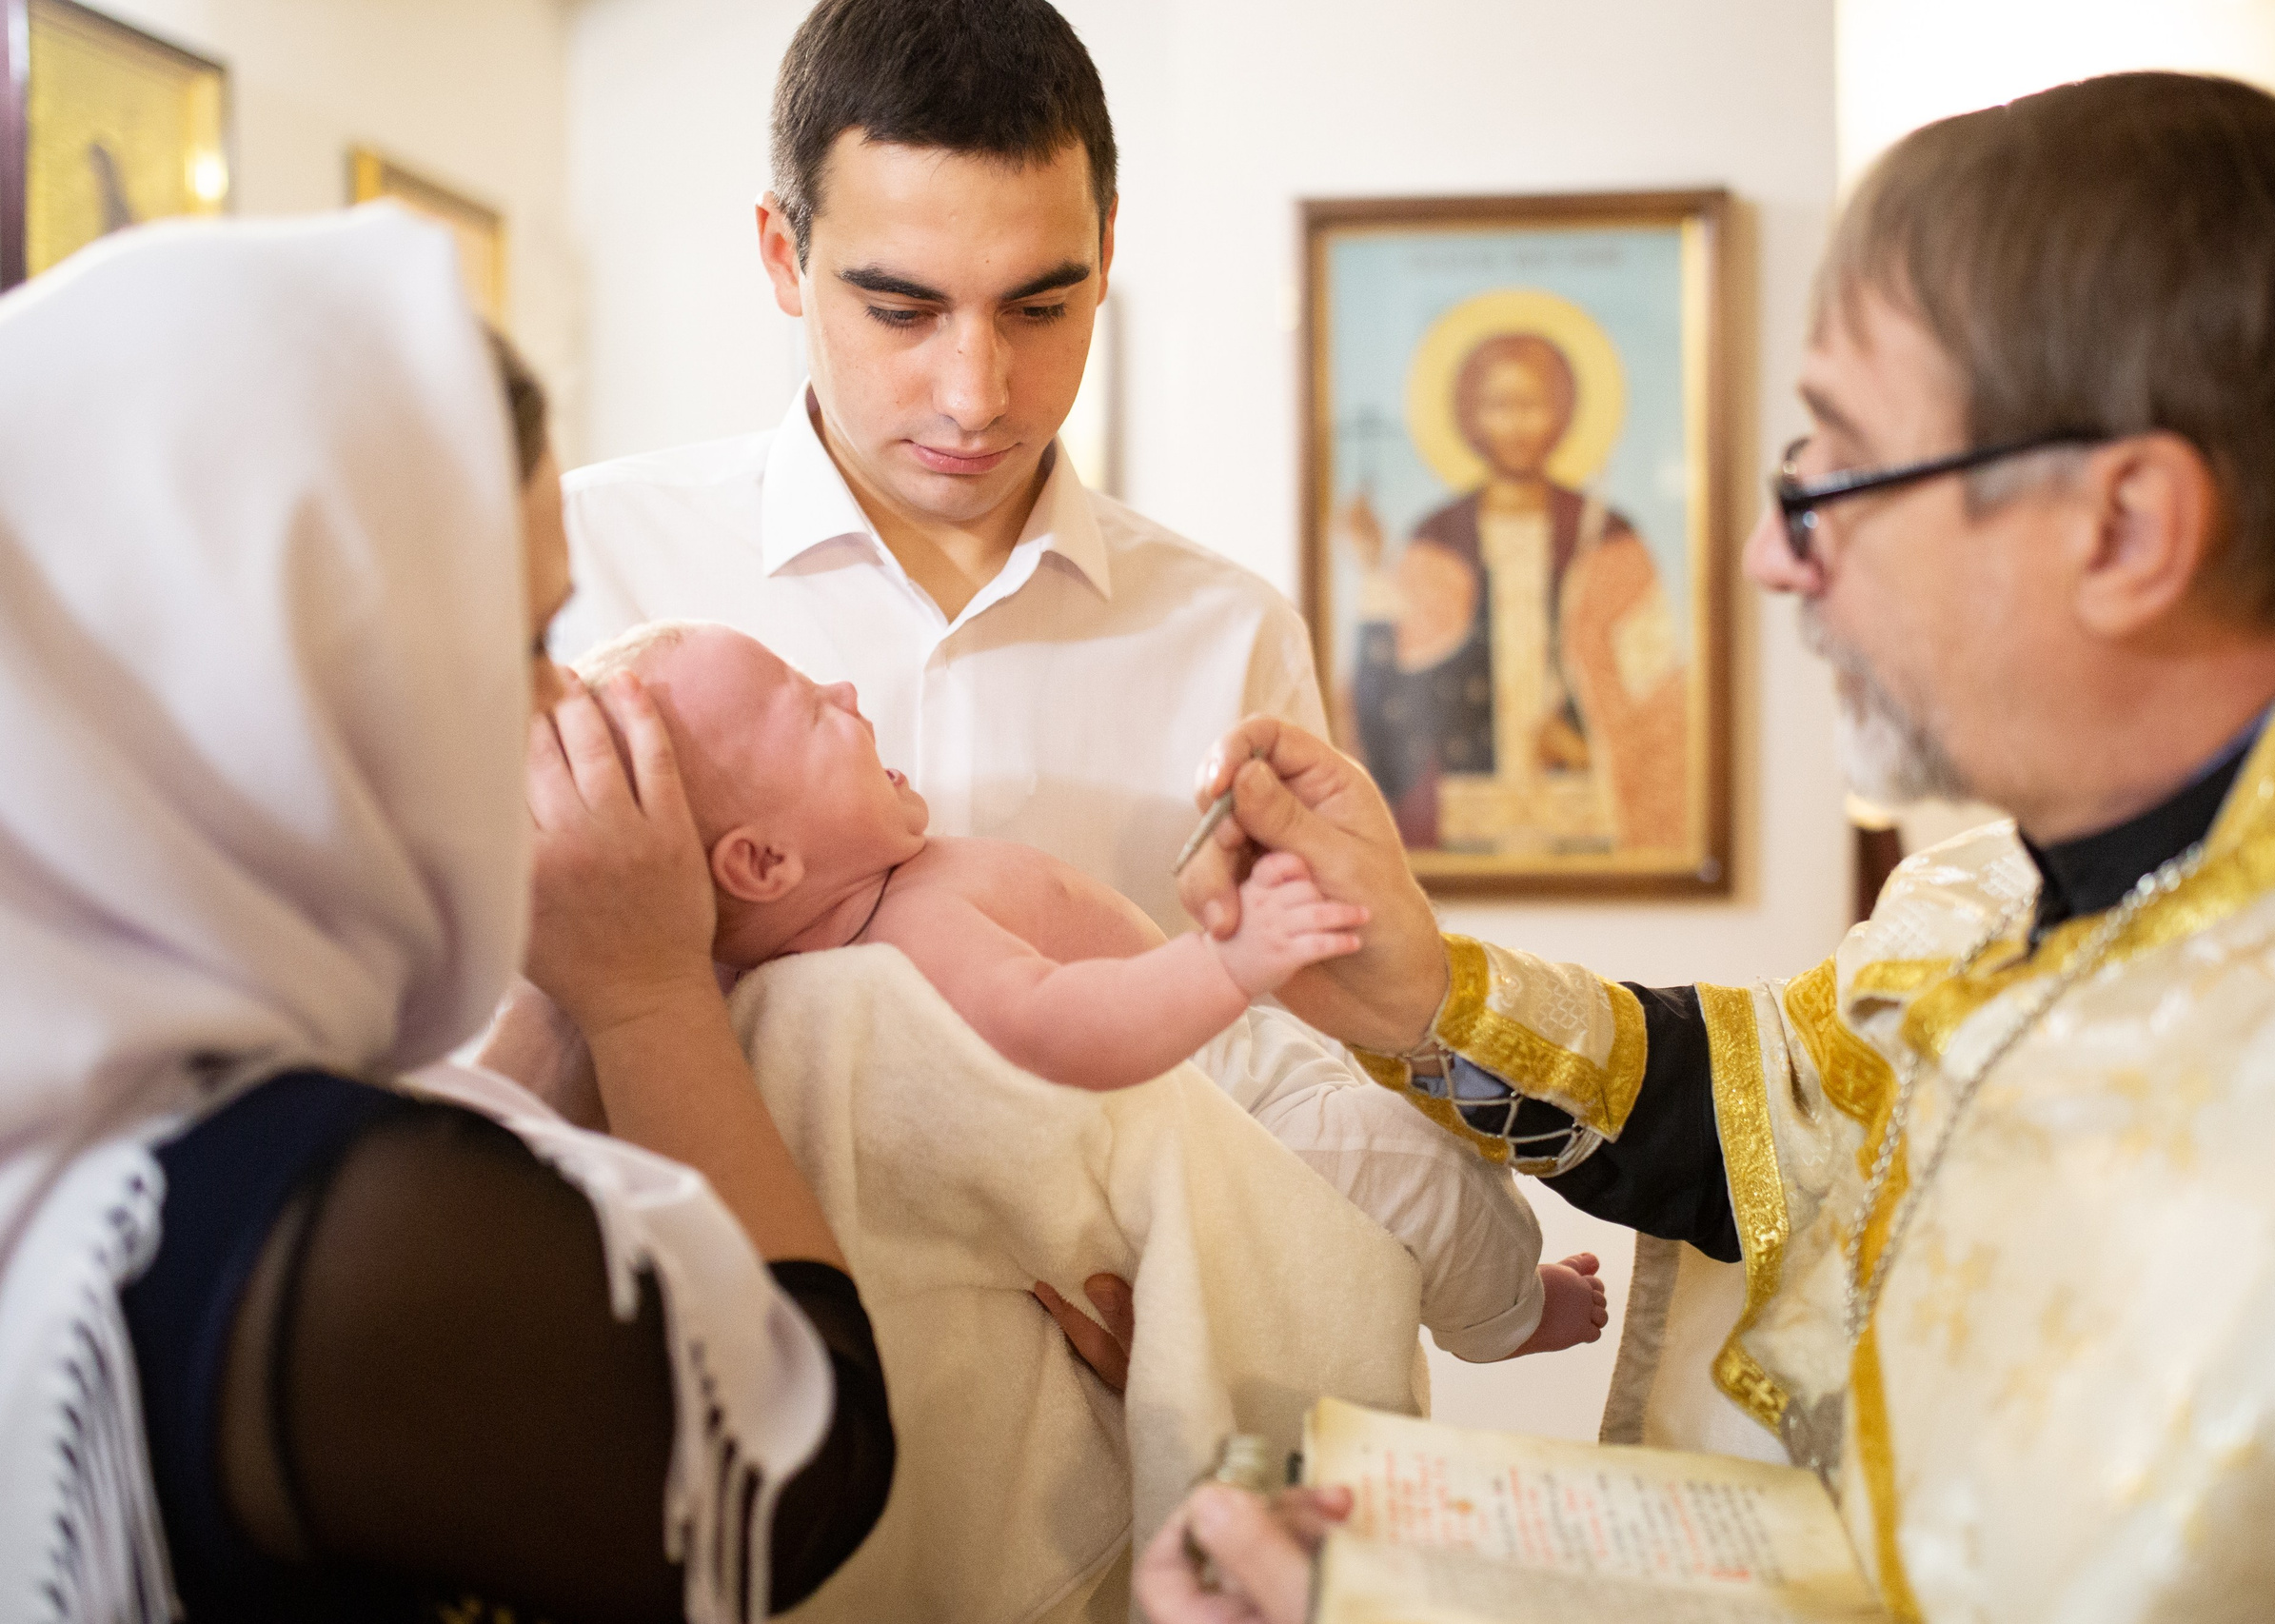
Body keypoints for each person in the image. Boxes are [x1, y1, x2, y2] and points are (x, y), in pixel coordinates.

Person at [1154, 71, 2275, 1623]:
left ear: (2123, 529)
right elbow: (1784, 1130)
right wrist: (1423, 996)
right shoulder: (2006, 884)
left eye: (1833, 472)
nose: (1769, 556)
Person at [542, 0, 1559, 1372]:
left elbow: (1304, 1086)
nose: (975, 391)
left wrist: (1233, 1300)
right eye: (900, 307)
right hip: (686, 1400)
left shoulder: (1226, 634)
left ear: (1109, 252)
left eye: (1041, 305)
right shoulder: (582, 578)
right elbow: (467, 1069)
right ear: (785, 255)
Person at [0, 209, 891, 1624]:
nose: (553, 707)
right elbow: (799, 1458)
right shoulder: (329, 1230)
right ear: (288, 664)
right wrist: (651, 993)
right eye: (519, 641)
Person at [554, 620, 1609, 1356]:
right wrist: (1230, 961)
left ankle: (1497, 1288)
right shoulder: (897, 941)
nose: (844, 690)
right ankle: (1504, 1315)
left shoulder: (881, 893)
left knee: (1416, 1139)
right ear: (765, 865)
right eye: (809, 710)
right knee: (1407, 1163)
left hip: (1243, 1056)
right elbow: (1060, 1027)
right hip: (1226, 1111)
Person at [1344, 331, 1687, 853]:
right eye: (1498, 405)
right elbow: (1393, 701)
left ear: (1565, 411)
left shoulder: (1610, 538)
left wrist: (1589, 742)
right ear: (1468, 415)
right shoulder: (1437, 539)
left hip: (1586, 815)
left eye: (1533, 404)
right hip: (1466, 817)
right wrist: (1373, 570)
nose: (1516, 424)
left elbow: (1659, 699)